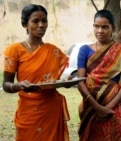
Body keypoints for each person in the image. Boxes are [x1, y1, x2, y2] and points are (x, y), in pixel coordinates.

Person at [2, 4, 70, 141]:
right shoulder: (14, 50)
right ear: (25, 24)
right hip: (28, 112)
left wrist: (67, 81)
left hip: (51, 110)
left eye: (44, 21)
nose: (41, 25)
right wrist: (19, 85)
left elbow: (56, 78)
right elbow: (6, 85)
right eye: (35, 21)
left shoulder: (54, 51)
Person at [77, 9, 121, 141]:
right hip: (90, 104)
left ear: (113, 28)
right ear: (93, 26)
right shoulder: (84, 50)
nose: (100, 31)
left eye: (105, 27)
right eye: (97, 26)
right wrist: (97, 107)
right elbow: (80, 81)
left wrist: (108, 107)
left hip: (113, 107)